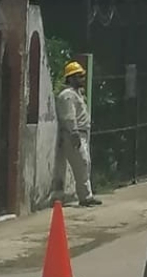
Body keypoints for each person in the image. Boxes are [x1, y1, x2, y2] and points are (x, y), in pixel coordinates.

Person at [56, 61, 101, 207]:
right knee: (81, 164)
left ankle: (87, 195)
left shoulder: (77, 94)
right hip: (75, 134)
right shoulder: (68, 95)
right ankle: (85, 197)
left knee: (85, 164)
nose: (82, 79)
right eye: (79, 76)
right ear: (71, 78)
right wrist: (74, 132)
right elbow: (69, 116)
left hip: (82, 133)